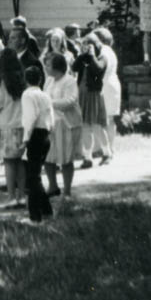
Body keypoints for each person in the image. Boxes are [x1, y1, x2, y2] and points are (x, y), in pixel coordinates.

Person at [0, 48, 27, 210]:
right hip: (22, 125)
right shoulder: (23, 80)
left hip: (6, 125)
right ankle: (22, 196)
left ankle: (11, 197)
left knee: (9, 163)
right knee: (20, 162)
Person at [20, 65, 54, 224]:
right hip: (45, 135)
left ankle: (35, 217)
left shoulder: (27, 95)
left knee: (33, 178)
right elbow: (51, 117)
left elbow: (30, 118)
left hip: (34, 135)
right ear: (40, 80)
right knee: (36, 176)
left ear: (25, 80)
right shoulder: (45, 95)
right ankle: (46, 211)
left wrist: (25, 139)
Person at [43, 53, 80, 198]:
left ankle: (67, 191)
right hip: (50, 123)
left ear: (57, 66)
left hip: (66, 124)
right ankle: (53, 187)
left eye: (48, 64)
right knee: (47, 157)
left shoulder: (69, 81)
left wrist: (49, 103)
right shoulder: (49, 81)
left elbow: (70, 101)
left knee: (66, 158)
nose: (45, 67)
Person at [72, 33, 111, 165]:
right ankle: (87, 157)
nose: (85, 47)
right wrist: (82, 55)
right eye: (83, 45)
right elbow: (74, 67)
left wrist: (92, 55)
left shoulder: (102, 58)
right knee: (85, 126)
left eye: (88, 45)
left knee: (97, 126)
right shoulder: (84, 58)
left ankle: (107, 153)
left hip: (94, 95)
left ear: (94, 45)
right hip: (82, 94)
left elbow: (97, 69)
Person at [93, 26, 122, 162]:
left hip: (105, 85)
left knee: (103, 120)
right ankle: (110, 147)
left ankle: (105, 149)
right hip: (113, 84)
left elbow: (101, 69)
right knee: (110, 119)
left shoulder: (103, 52)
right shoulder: (110, 51)